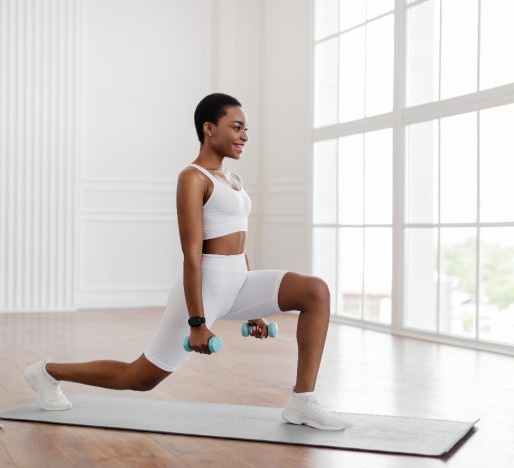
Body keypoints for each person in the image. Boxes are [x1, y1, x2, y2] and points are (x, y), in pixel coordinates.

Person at [24, 93, 345, 430]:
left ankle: (302, 401)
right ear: (209, 128)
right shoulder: (192, 178)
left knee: (315, 292)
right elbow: (192, 254)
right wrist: (196, 322)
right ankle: (47, 372)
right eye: (236, 127)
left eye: (246, 129)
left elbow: (239, 242)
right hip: (203, 291)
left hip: (238, 282)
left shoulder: (233, 180)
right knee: (141, 377)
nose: (244, 136)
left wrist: (254, 308)